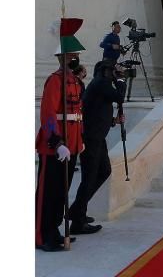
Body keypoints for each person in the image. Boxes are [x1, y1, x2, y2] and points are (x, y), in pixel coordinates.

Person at [68, 60, 127, 234]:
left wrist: (113, 121)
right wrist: (121, 80)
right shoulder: (101, 83)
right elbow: (119, 97)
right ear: (105, 71)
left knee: (104, 171)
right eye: (112, 70)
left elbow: (97, 111)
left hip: (97, 137)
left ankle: (77, 210)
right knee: (89, 177)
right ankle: (77, 222)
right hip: (91, 138)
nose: (114, 73)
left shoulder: (101, 84)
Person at [35, 49, 84, 252]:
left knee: (61, 193)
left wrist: (79, 141)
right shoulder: (55, 81)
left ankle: (54, 230)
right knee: (48, 193)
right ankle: (41, 235)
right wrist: (56, 143)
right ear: (61, 58)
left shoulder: (74, 81)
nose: (74, 58)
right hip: (55, 147)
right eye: (70, 56)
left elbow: (78, 113)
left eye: (75, 56)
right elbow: (47, 114)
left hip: (71, 146)